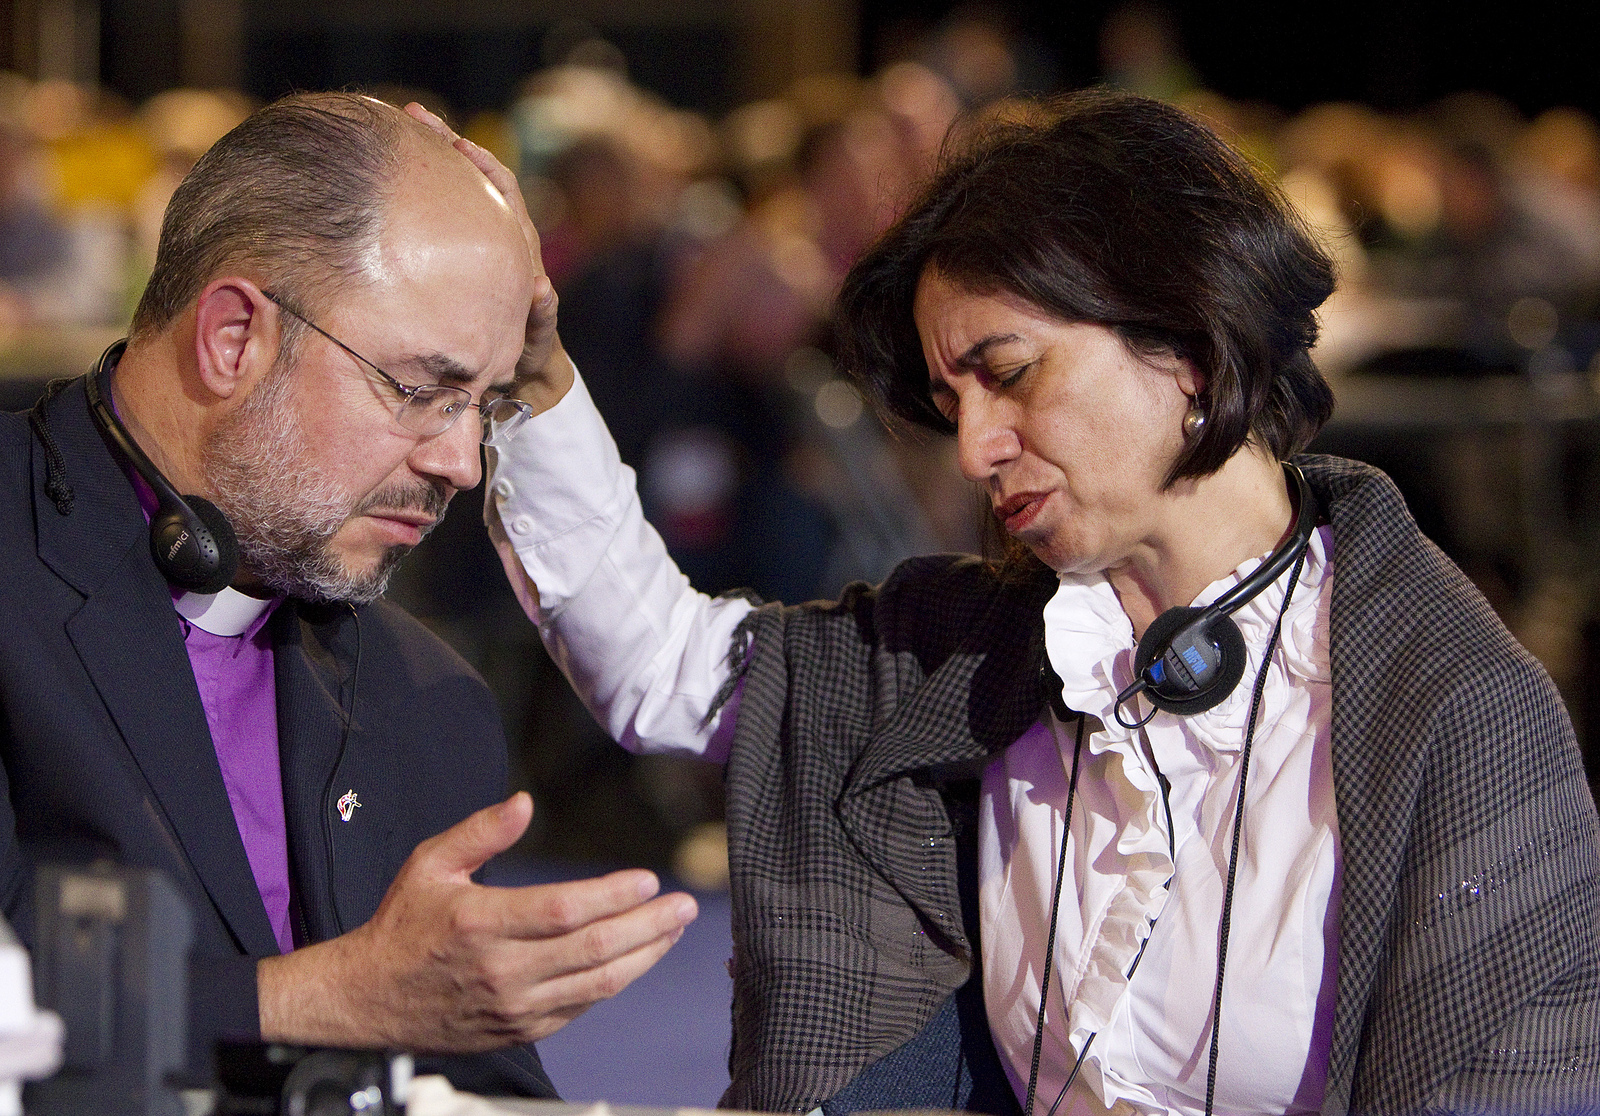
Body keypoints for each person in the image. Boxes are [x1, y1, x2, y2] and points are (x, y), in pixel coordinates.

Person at [444, 90, 1600, 1113]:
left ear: (1188, 343)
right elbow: (667, 669)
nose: (976, 448)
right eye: (952, 400)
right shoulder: (976, 653)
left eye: (1009, 372)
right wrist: (532, 374)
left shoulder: (1455, 720)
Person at [1, 92, 699, 1096]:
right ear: (233, 336)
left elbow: (471, 1081)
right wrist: (319, 1001)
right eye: (421, 388)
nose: (462, 460)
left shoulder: (429, 701)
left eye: (485, 406)